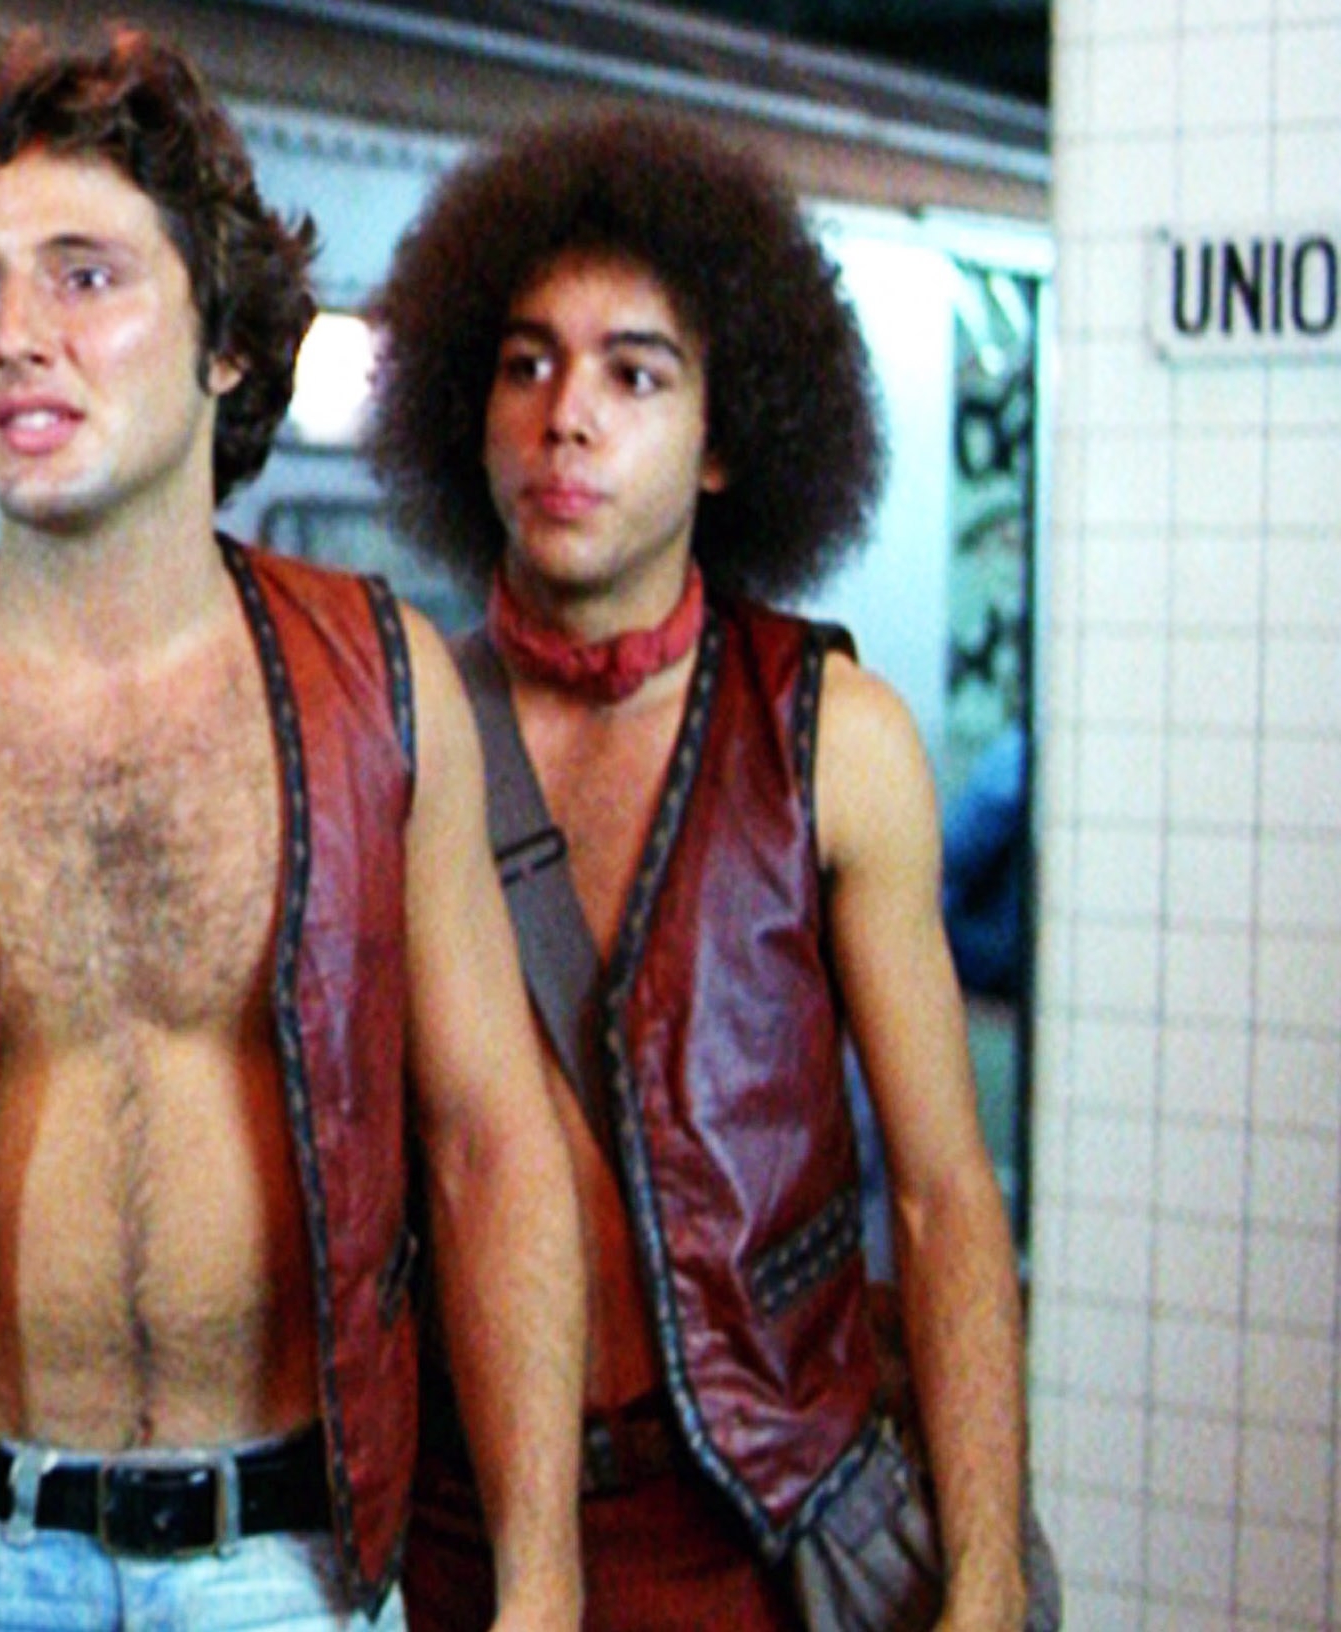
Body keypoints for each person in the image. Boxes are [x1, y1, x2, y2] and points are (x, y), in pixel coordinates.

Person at [0, 26, 585, 1632]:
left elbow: (491, 1145)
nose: (15, 336)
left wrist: (539, 1578)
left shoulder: (382, 693)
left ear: (224, 339)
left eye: (84, 277)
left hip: (287, 1562)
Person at [364, 111, 1035, 1630]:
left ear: (728, 440)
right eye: (525, 363)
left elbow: (939, 1196)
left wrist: (984, 1579)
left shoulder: (829, 740)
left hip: (755, 1525)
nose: (566, 418)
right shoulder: (394, 733)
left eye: (632, 372)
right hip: (463, 1529)